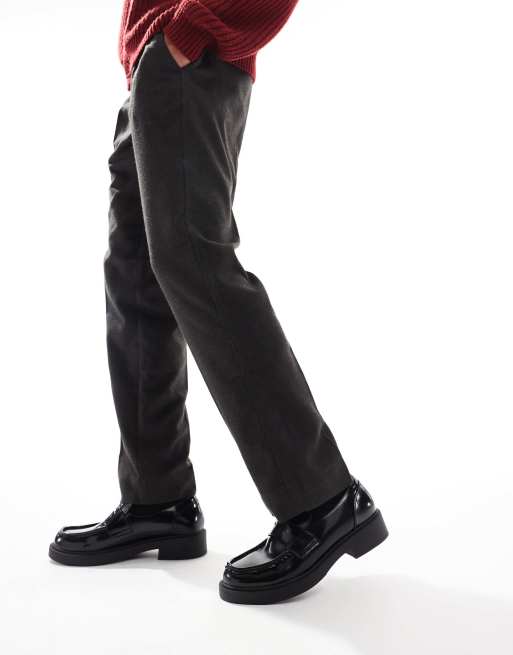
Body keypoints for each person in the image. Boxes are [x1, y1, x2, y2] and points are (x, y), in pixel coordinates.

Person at [48, 0, 388, 604]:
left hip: (192, 56)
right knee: (135, 276)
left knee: (197, 266)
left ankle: (323, 499)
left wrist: (191, 29)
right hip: (155, 65)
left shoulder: (191, 40)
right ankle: (158, 499)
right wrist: (152, 51)